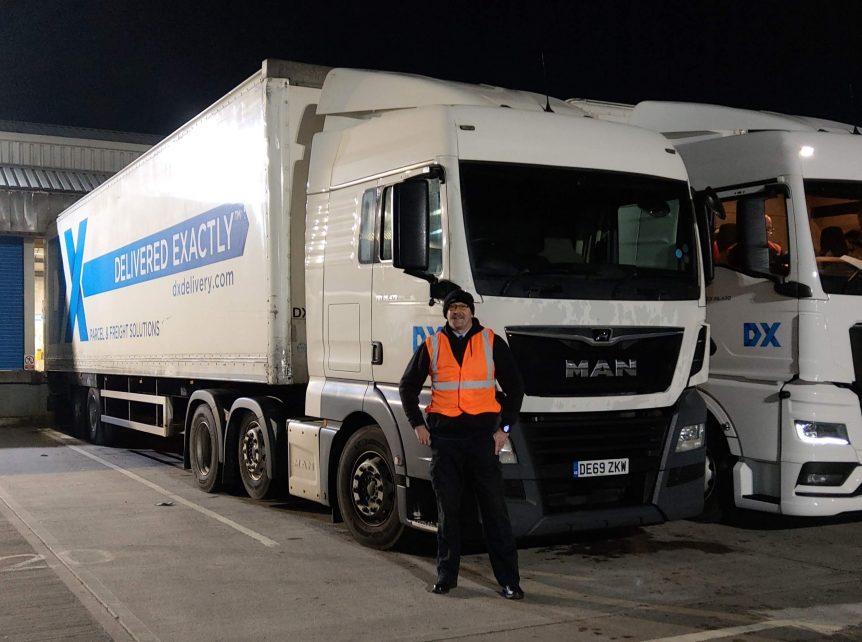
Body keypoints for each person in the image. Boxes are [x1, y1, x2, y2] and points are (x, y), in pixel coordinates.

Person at [399, 289, 525, 599]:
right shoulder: (433, 344)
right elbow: (407, 387)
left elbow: (516, 389)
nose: (457, 312)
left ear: (471, 312)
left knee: (495, 512)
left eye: (462, 307)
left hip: (483, 441)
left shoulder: (492, 342)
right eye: (452, 308)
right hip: (445, 442)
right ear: (445, 314)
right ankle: (445, 577)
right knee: (448, 512)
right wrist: (417, 424)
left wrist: (504, 430)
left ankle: (509, 581)